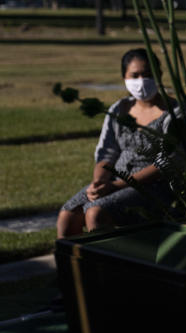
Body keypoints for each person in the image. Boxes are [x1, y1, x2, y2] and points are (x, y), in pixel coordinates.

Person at [57, 48, 178, 237]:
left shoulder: (173, 113)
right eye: (135, 75)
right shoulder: (120, 109)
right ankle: (76, 264)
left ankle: (110, 264)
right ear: (124, 78)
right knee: (67, 216)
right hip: (114, 180)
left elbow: (168, 163)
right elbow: (107, 152)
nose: (141, 81)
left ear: (159, 75)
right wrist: (99, 182)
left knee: (95, 213)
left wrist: (117, 186)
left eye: (147, 74)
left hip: (154, 187)